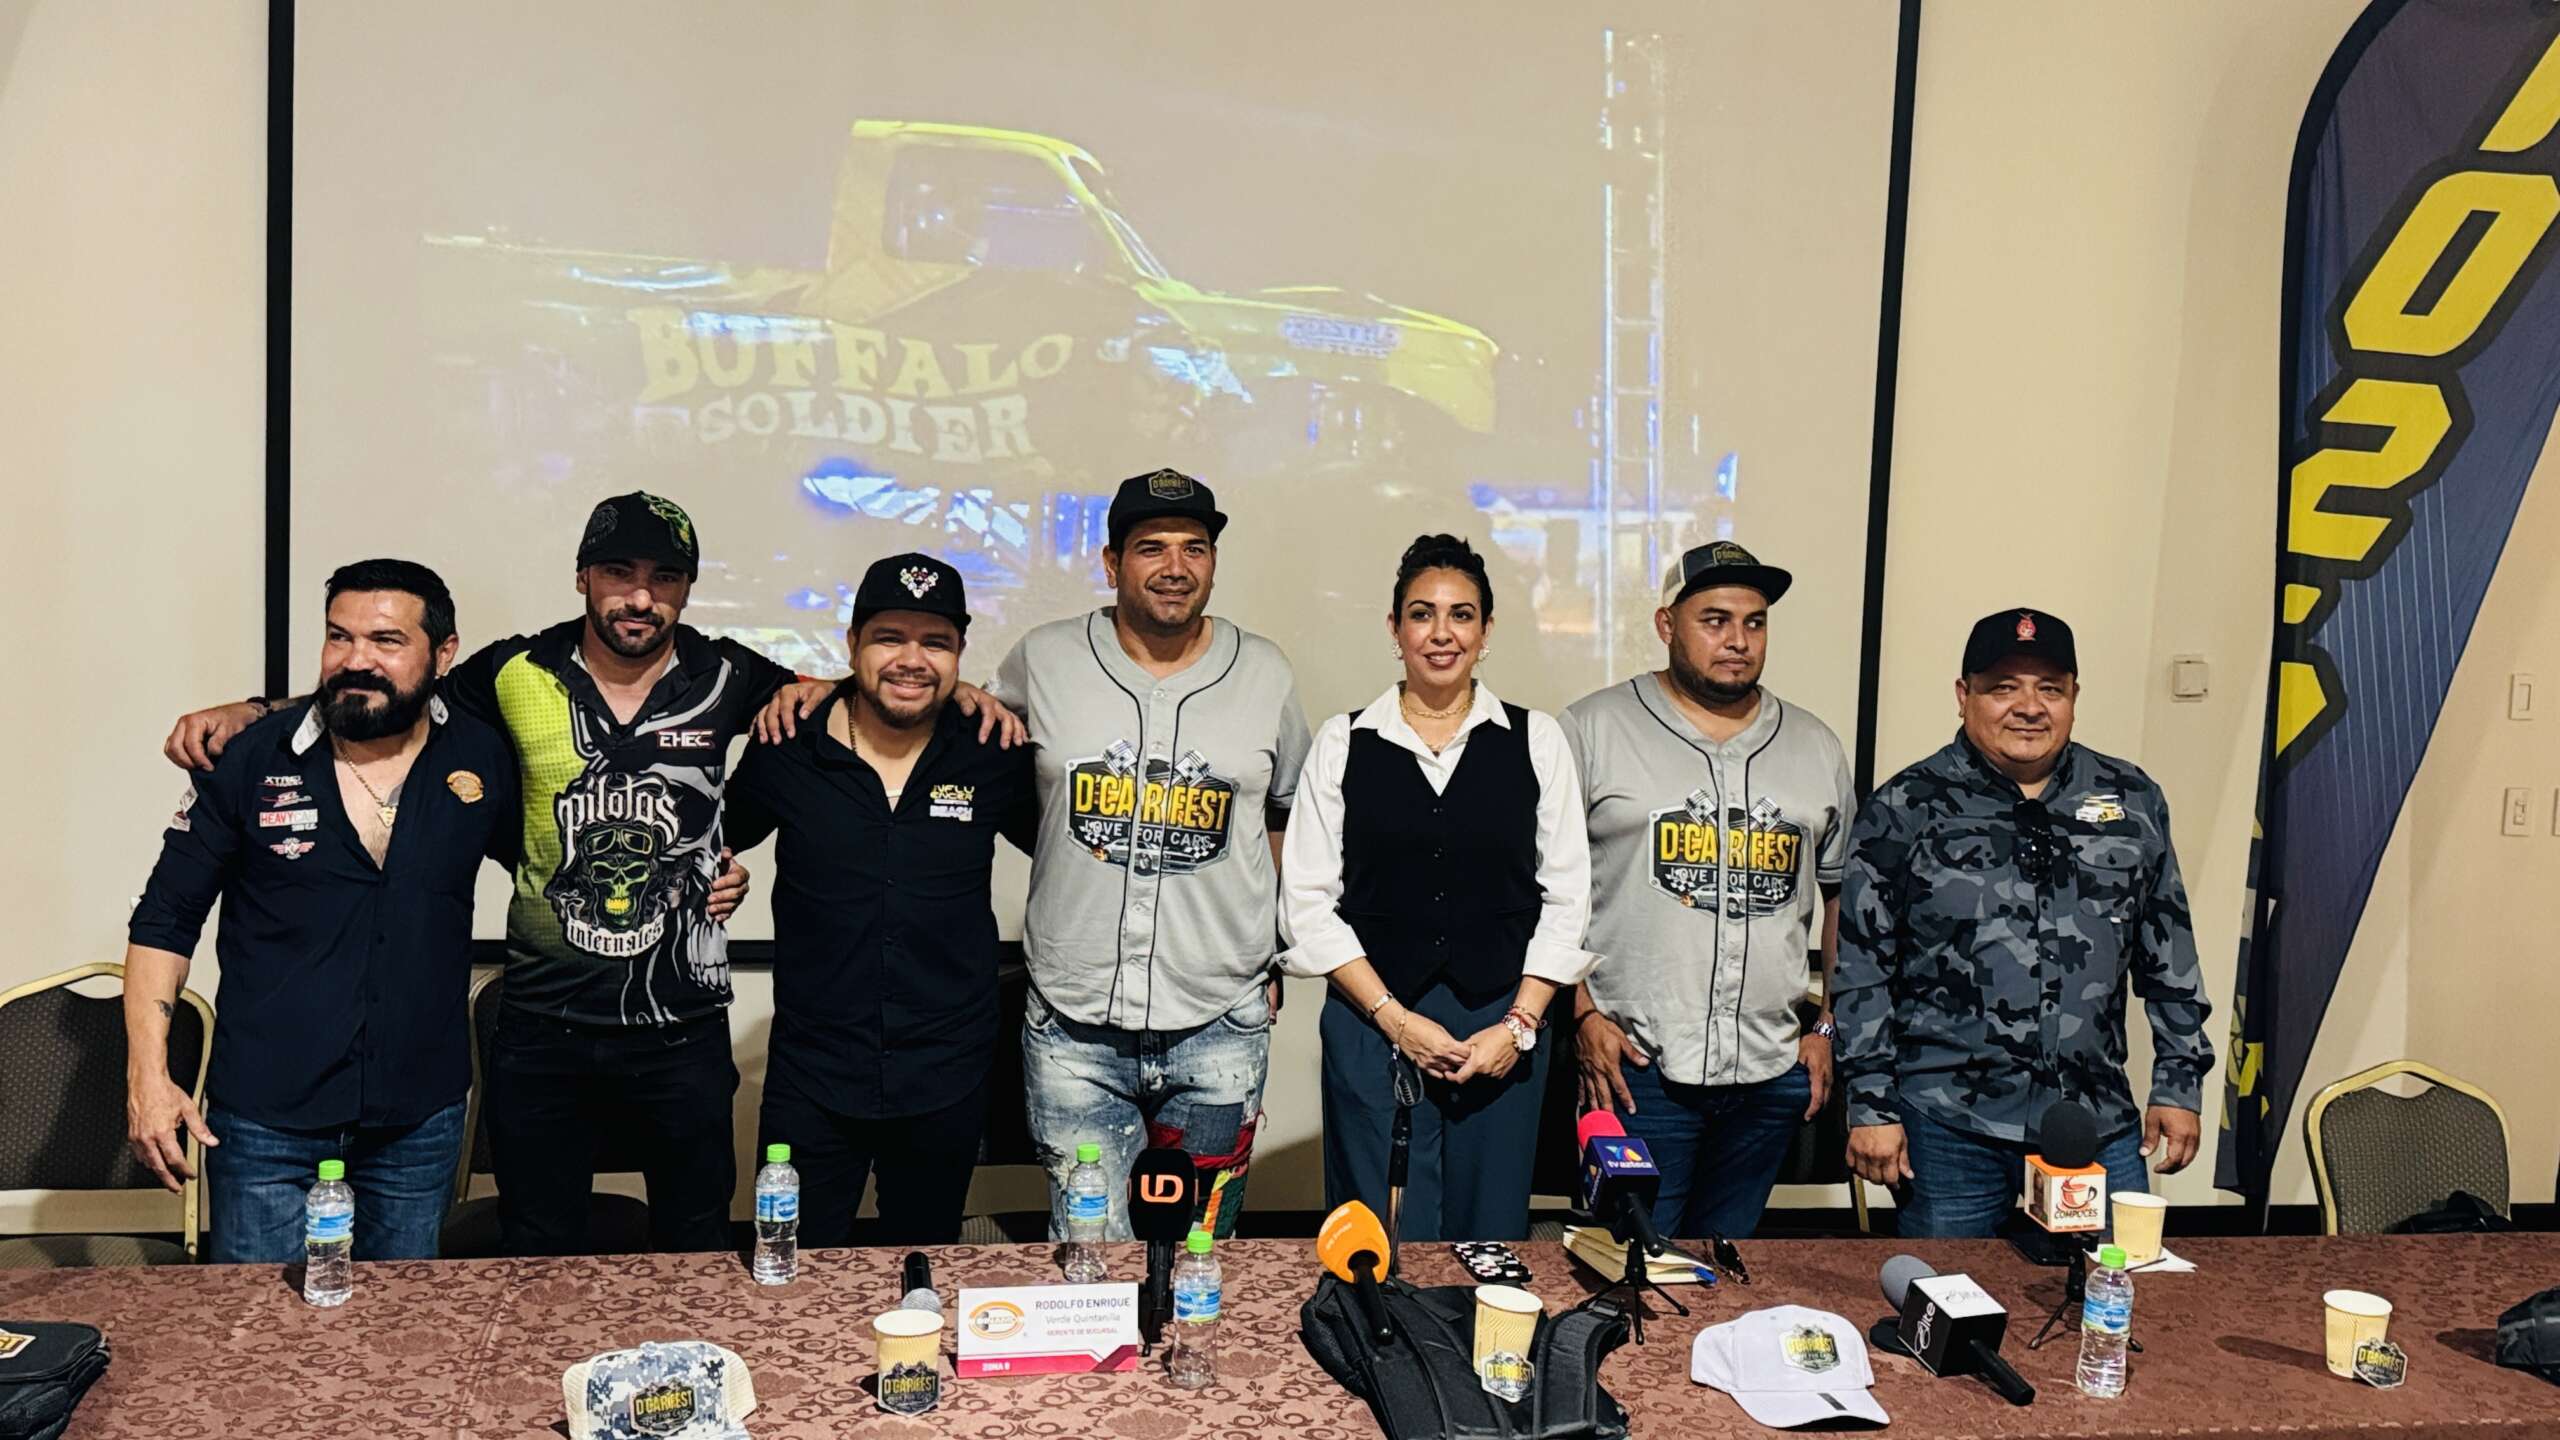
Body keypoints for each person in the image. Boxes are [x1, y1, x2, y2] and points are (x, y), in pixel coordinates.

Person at [153, 494, 1009, 1252]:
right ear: (582, 578)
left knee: (697, 1253)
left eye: (664, 577)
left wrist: (967, 697)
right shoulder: (512, 671)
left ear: (687, 589)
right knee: (538, 1257)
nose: (639, 596)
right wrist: (256, 711)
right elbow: (382, 691)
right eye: (618, 573)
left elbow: (867, 687)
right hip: (542, 1031)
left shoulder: (731, 675)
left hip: (682, 1032)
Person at [772, 469, 1307, 1239]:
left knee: (1200, 1246)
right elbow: (929, 697)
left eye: (1194, 548)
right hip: (1074, 1026)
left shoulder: (1266, 671)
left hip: (1219, 1016)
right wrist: (830, 687)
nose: (1175, 566)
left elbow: (1283, 812)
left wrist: (1276, 945)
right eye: (1151, 547)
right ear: (1111, 562)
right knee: (1087, 1255)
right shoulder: (1044, 659)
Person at [125, 560, 518, 1262]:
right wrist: (148, 1078)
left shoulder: (481, 758)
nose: (356, 660)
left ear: (443, 654)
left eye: (386, 640)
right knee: (261, 1325)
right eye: (340, 637)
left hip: (417, 1120)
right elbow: (164, 921)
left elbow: (553, 868)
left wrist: (709, 870)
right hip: (266, 1122)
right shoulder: (248, 759)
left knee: (400, 1325)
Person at [1833, 607, 2214, 1238]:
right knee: (1947, 1291)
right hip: (1949, 1123)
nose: (2029, 707)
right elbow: (1862, 966)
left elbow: (2169, 952)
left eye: (2050, 689)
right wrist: (1871, 1104)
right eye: (2003, 687)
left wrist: (2178, 1085)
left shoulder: (2131, 798)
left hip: (2092, 1116)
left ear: (2074, 697)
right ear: (1964, 695)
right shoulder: (1905, 806)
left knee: (2117, 1285)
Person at [1280, 534, 1591, 1242]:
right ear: (1395, 630)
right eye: (1422, 614)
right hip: (1372, 1020)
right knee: (1381, 1238)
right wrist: (1394, 1019)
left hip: (1501, 1027)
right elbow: (1307, 904)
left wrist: (1519, 1026)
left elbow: (1568, 896)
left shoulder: (1536, 739)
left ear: (1486, 631)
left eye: (1461, 615)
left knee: (1491, 1238)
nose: (1442, 633)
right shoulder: (1342, 742)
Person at [722, 553, 1035, 1247]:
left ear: (960, 654)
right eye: (890, 638)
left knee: (922, 1264)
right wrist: (719, 878)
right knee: (795, 1269)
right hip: (813, 1073)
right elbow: (710, 843)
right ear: (852, 644)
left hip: (947, 1072)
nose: (911, 660)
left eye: (936, 643)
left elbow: (1071, 861)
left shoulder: (993, 750)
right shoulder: (787, 743)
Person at [1560, 541, 1854, 1241]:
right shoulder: (1591, 729)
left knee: (1727, 1266)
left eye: (1754, 623)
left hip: (1770, 1070)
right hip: (1637, 1067)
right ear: (1667, 626)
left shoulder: (1814, 745)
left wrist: (1826, 1026)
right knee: (1633, 1264)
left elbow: (1843, 896)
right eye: (1715, 620)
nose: (1737, 641)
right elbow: (1546, 890)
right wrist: (1581, 1015)